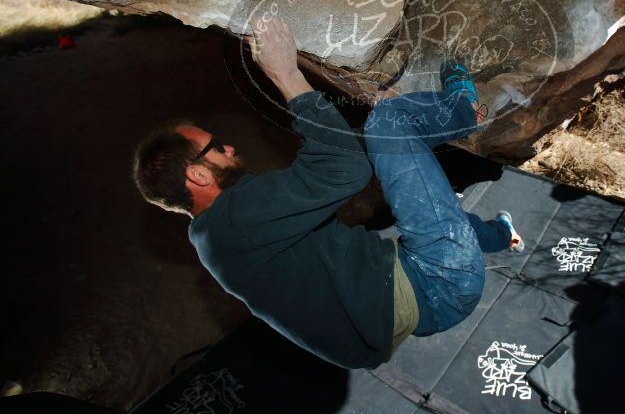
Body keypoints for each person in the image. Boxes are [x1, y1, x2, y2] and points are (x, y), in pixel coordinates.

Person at [132, 18, 523, 369]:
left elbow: (329, 173)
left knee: (421, 204)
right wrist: (287, 75)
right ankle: (464, 110)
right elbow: (345, 169)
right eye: (216, 145)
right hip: (440, 280)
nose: (229, 147)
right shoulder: (234, 218)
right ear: (198, 174)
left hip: (416, 299)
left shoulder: (222, 239)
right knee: (388, 124)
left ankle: (504, 234)